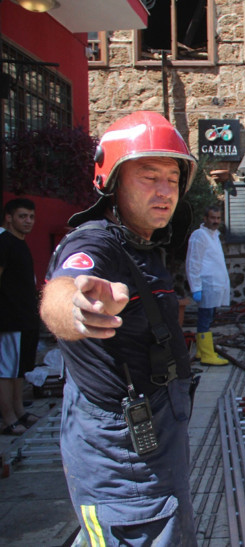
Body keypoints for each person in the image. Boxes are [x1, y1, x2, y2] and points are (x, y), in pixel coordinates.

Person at [39, 111, 197, 544]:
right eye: (149, 177)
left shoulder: (142, 244)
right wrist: (76, 309)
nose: (165, 191)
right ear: (113, 183)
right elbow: (65, 288)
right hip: (123, 462)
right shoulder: (94, 242)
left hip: (154, 444)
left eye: (172, 178)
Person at [0, 198, 39, 436]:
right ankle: (8, 419)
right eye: (23, 216)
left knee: (19, 370)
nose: (28, 221)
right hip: (8, 318)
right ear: (9, 217)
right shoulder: (3, 242)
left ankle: (19, 411)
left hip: (24, 317)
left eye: (31, 217)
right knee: (6, 371)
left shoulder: (20, 243)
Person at [186, 204, 231, 366]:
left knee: (209, 318)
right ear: (205, 218)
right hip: (206, 285)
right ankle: (206, 355)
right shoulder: (199, 235)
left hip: (215, 285)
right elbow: (193, 262)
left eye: (218, 218)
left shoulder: (214, 235)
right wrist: (196, 287)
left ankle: (200, 350)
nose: (215, 221)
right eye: (212, 218)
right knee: (205, 319)